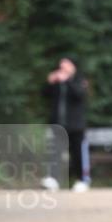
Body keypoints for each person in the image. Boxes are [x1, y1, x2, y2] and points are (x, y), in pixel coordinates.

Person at [42, 56, 90, 191]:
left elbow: (79, 95)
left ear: (73, 66)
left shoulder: (80, 80)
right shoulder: (57, 82)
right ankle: (53, 179)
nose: (62, 68)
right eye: (61, 65)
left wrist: (67, 81)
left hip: (76, 125)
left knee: (77, 153)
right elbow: (45, 94)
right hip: (58, 124)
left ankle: (82, 180)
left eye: (66, 65)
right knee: (55, 152)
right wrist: (50, 82)